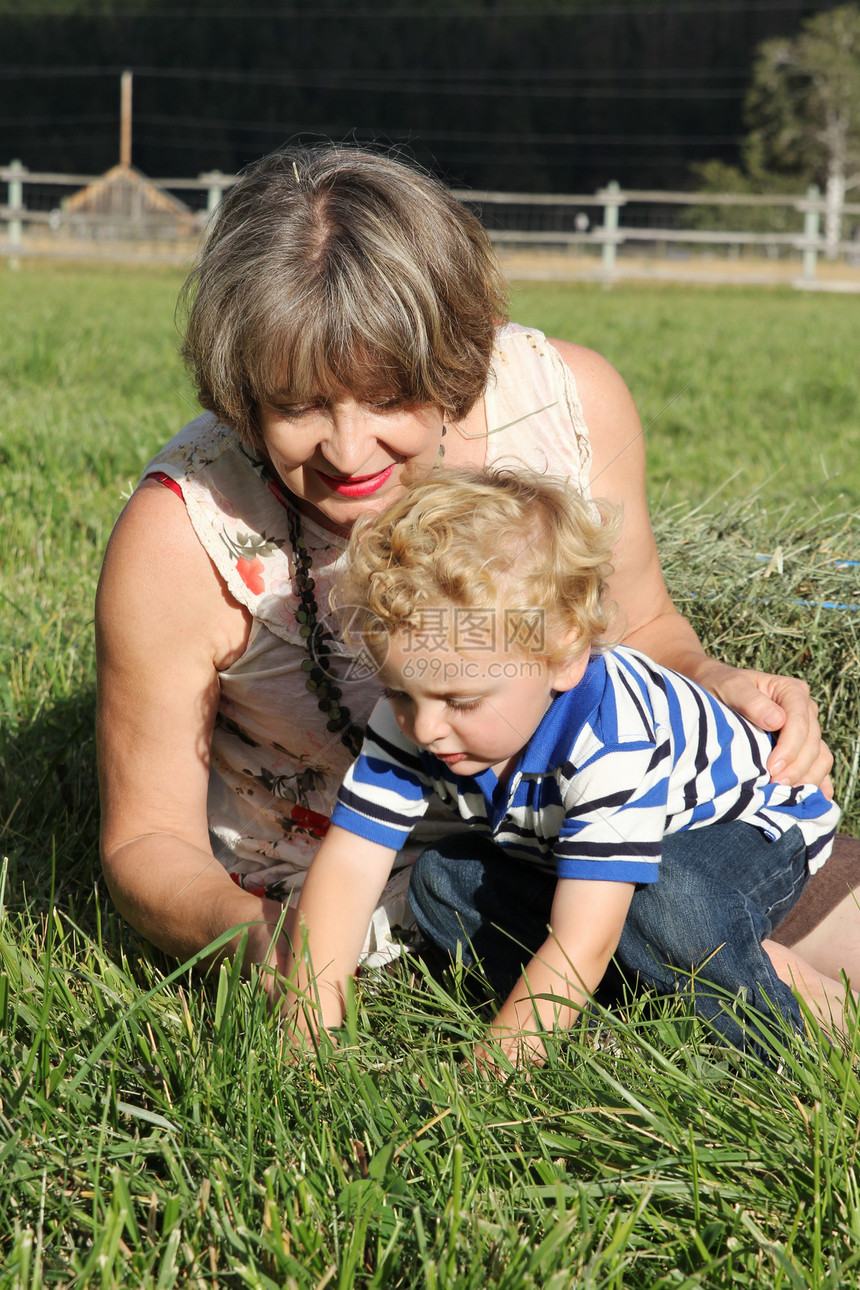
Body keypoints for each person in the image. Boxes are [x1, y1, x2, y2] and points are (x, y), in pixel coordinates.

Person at [95, 141, 857, 998]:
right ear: (241, 387)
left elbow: (643, 630)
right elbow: (144, 843)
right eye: (299, 404)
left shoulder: (569, 405)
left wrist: (720, 681)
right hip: (364, 888)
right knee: (693, 950)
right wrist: (284, 948)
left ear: (453, 357)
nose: (349, 452)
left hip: (602, 813)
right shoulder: (182, 532)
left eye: (389, 397)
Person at [283, 466, 850, 1063]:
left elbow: (587, 930)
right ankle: (628, 1015)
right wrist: (306, 1021)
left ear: (564, 657)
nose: (424, 728)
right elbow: (349, 863)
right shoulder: (421, 718)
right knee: (442, 884)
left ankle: (790, 1034)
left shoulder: (612, 739)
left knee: (670, 903)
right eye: (400, 692)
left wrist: (500, 1063)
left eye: (463, 700)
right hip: (585, 858)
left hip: (741, 825)